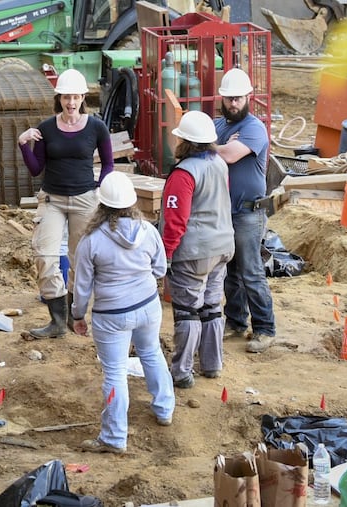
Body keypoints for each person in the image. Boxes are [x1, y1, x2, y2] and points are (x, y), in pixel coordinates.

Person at [71, 171, 174, 454]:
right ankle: (165, 409)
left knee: (115, 372)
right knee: (151, 353)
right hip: (148, 306)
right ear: (132, 202)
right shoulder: (149, 231)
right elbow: (160, 269)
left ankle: (115, 437)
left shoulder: (91, 241)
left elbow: (82, 286)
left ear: (100, 204)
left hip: (111, 315)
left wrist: (78, 315)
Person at [18, 68, 114, 339]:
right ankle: (57, 320)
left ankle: (75, 314)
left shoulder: (96, 126)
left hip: (85, 199)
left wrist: (102, 190)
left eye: (75, 97)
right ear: (58, 98)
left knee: (80, 260)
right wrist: (23, 144)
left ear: (83, 97)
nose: (71, 103)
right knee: (44, 255)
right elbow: (36, 169)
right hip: (52, 199)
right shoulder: (47, 128)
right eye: (65, 98)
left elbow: (108, 164)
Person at [160, 111, 235, 388]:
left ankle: (181, 372)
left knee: (187, 310)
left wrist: (166, 254)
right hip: (223, 246)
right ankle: (212, 364)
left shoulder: (184, 173)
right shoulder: (219, 163)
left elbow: (176, 220)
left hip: (194, 252)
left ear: (185, 141)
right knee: (212, 306)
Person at [213, 68, 277, 353]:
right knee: (231, 271)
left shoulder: (254, 127)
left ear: (248, 97)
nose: (233, 103)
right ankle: (236, 321)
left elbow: (229, 155)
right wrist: (217, 144)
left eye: (237, 98)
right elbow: (204, 149)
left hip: (250, 212)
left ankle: (265, 328)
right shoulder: (218, 127)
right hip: (226, 211)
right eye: (228, 98)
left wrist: (210, 147)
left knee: (251, 272)